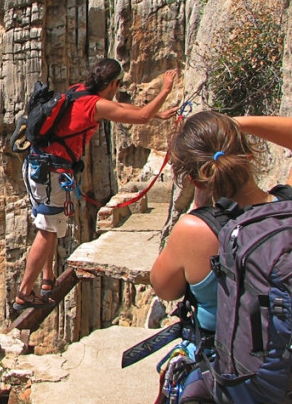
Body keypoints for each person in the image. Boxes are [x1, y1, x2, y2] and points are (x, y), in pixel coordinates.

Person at [13, 59, 179, 311]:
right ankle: (24, 293)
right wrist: (165, 90)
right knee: (47, 231)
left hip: (38, 167)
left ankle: (47, 280)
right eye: (118, 85)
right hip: (51, 174)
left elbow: (119, 108)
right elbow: (138, 117)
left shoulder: (79, 90)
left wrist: (155, 113)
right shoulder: (95, 105)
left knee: (51, 224)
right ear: (112, 83)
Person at [150, 112, 292, 328]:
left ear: (196, 182)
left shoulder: (193, 231)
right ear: (248, 155)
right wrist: (232, 123)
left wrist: (199, 210)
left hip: (232, 360)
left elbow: (164, 289)